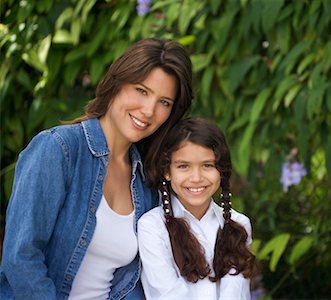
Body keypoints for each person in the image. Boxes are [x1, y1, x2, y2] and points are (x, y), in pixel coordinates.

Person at [0, 37, 193, 299]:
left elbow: (133, 282)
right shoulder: (58, 150)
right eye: (142, 90)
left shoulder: (147, 181)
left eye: (165, 102)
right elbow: (21, 259)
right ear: (117, 82)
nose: (149, 110)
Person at [138, 117, 258, 299]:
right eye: (183, 166)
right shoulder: (153, 227)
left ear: (221, 170)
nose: (196, 178)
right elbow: (168, 295)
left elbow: (236, 293)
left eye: (207, 165)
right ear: (167, 171)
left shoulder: (239, 225)